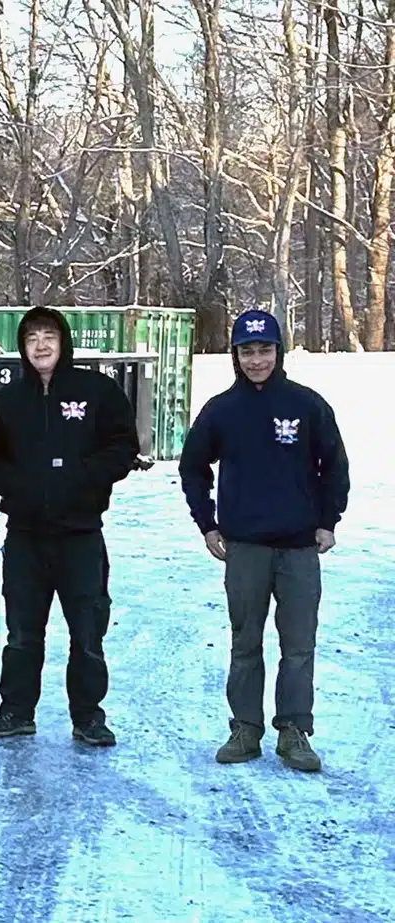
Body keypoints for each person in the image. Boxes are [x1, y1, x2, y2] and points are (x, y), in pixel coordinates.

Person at [180, 309, 348, 773]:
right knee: (245, 641)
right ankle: (245, 728)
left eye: (265, 350)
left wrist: (328, 520)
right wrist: (207, 524)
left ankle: (294, 731)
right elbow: (193, 467)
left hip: (298, 547)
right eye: (247, 351)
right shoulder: (221, 410)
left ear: (279, 351)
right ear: (235, 355)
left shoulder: (307, 405)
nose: (256, 360)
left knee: (298, 644)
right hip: (245, 547)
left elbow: (334, 465)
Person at [0, 308, 138, 747]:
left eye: (49, 336)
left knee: (87, 632)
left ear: (63, 342)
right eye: (32, 338)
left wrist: (81, 476)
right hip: (26, 535)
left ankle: (88, 716)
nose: (41, 345)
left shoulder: (97, 391)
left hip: (80, 534)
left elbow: (123, 446)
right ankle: (16, 711)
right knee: (22, 631)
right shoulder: (5, 402)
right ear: (22, 346)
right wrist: (19, 484)